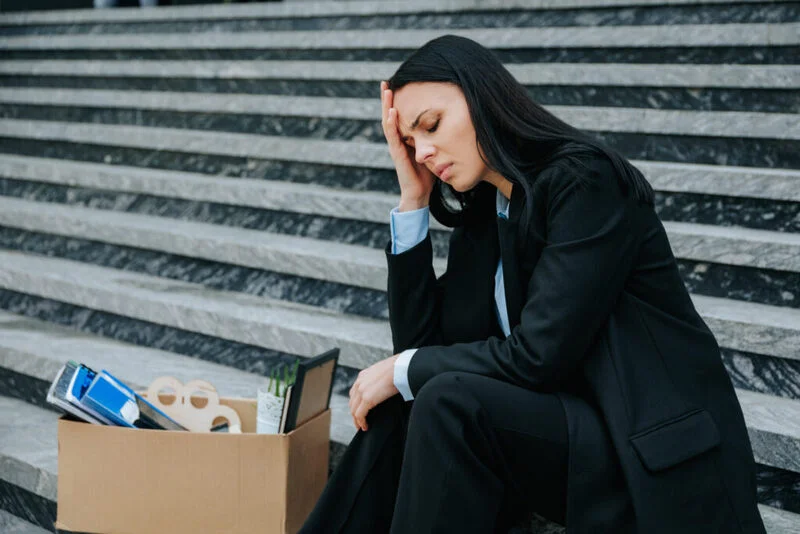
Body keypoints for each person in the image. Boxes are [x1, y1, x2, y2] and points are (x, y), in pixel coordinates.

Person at [299, 34, 766, 534]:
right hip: (567, 438)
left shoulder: (585, 184)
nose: (426, 151)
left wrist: (405, 368)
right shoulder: (487, 214)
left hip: (638, 445)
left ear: (480, 94)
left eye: (431, 126)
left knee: (444, 398)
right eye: (412, 143)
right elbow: (426, 352)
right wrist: (412, 199)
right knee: (406, 403)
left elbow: (538, 354)